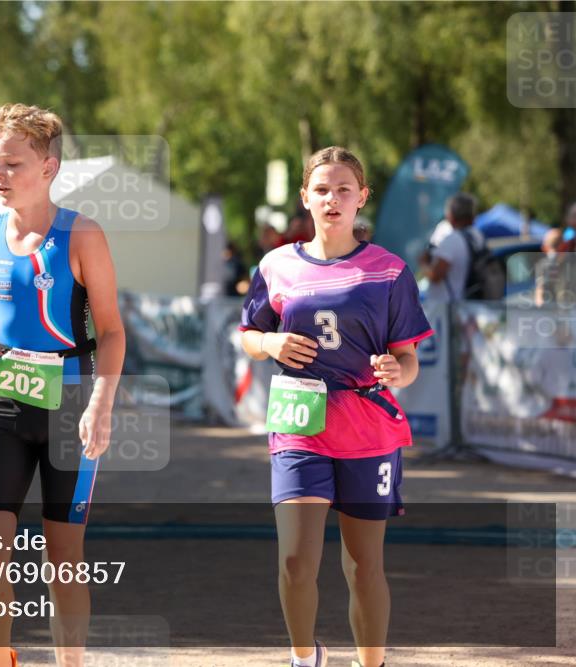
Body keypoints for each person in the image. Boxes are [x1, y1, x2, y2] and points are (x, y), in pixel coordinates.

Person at [239, 147, 432, 667]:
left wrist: (399, 371)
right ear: (305, 197)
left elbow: (408, 359)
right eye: (322, 189)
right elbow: (249, 336)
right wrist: (270, 345)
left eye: (344, 189)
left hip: (367, 428)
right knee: (296, 561)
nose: (332, 199)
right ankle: (307, 658)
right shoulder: (276, 264)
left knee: (363, 566)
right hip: (299, 425)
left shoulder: (389, 272)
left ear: (361, 198)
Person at [0, 103, 125, 667]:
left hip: (70, 408)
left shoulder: (82, 234)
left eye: (12, 165)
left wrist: (101, 403)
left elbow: (111, 331)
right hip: (7, 407)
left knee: (63, 557)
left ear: (48, 168)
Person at [417, 193, 483, 303]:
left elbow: (435, 275)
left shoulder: (452, 240)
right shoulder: (478, 236)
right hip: (470, 304)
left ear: (451, 215)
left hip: (448, 310)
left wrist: (423, 262)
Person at [535, 228, 574, 308]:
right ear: (564, 245)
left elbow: (541, 291)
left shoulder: (543, 265)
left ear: (544, 247)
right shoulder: (570, 262)